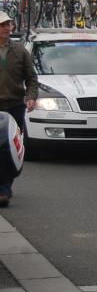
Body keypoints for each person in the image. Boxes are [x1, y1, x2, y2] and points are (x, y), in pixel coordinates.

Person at [0, 11, 38, 207]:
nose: (7, 28)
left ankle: (5, 188)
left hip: (14, 106)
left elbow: (31, 79)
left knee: (9, 148)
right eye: (3, 25)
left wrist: (31, 97)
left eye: (8, 24)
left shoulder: (20, 51)